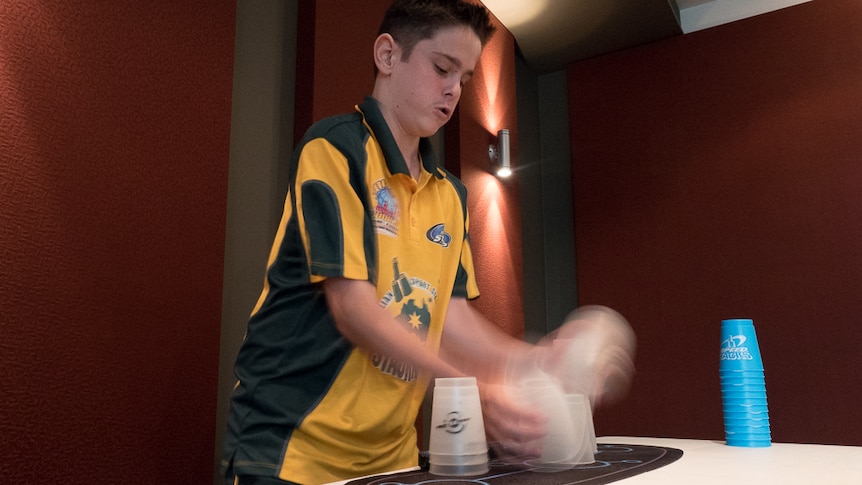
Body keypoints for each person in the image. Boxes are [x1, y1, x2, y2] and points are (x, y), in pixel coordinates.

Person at [222, 1, 635, 484]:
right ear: (387, 55)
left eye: (463, 77)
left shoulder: (452, 195)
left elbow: (451, 318)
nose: (454, 90)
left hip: (391, 457)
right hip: (290, 451)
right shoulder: (335, 150)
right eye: (442, 68)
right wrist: (472, 388)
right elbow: (353, 308)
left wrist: (539, 360)